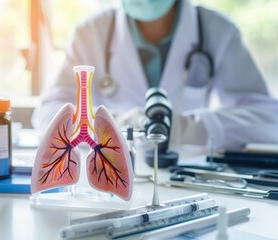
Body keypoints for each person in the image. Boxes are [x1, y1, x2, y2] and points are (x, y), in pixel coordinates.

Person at [32, 0, 278, 150]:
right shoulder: (91, 34)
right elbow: (47, 115)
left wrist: (192, 129)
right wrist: (111, 126)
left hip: (187, 181)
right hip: (111, 182)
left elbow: (270, 120)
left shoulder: (217, 31)